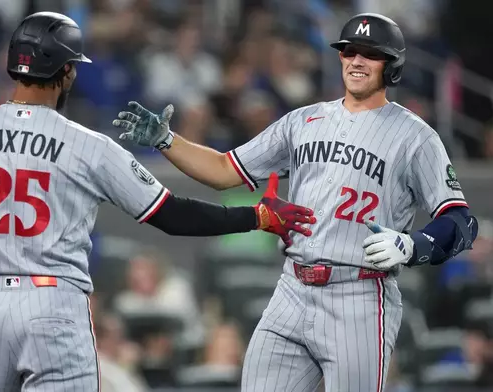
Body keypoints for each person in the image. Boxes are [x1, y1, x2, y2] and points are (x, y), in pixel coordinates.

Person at [0, 12, 316, 392]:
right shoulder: (87, 145)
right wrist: (255, 216)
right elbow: (173, 216)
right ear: (65, 72)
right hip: (54, 305)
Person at [113, 12, 479, 392]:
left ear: (393, 65)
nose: (356, 60)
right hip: (292, 286)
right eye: (349, 51)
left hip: (359, 293)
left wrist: (411, 245)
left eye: (370, 54)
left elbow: (461, 221)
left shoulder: (416, 137)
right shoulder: (303, 121)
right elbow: (224, 169)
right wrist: (167, 141)